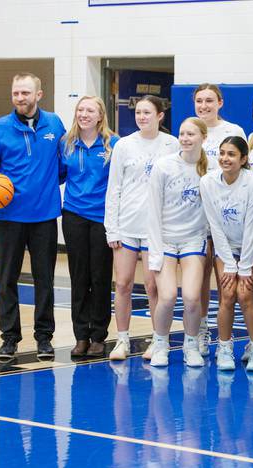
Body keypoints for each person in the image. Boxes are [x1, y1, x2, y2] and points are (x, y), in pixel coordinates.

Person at [0, 72, 66, 361]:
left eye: (25, 93)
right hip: (9, 217)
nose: (20, 98)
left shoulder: (55, 124)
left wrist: (46, 185)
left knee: (44, 280)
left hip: (45, 217)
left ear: (39, 95)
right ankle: (9, 338)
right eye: (16, 93)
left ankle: (44, 338)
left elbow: (63, 164)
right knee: (7, 279)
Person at [105, 95, 179, 361]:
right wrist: (111, 228)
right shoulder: (124, 145)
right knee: (123, 284)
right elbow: (114, 187)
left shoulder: (172, 145)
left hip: (155, 229)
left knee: (152, 286)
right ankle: (122, 340)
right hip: (126, 225)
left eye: (147, 112)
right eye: (138, 112)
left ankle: (158, 340)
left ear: (160, 115)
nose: (141, 117)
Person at [146, 117, 215, 367]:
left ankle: (191, 345)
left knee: (192, 298)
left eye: (191, 134)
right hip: (165, 240)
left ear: (203, 138)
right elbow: (153, 211)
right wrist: (155, 252)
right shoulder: (163, 166)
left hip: (193, 240)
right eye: (182, 134)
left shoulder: (211, 168)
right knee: (166, 297)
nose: (185, 139)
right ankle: (160, 345)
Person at [60, 96, 119, 357]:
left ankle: (98, 335)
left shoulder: (114, 144)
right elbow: (59, 175)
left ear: (100, 115)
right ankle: (81, 335)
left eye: (90, 110)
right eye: (80, 110)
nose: (84, 114)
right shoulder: (66, 143)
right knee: (79, 276)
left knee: (100, 276)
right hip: (73, 214)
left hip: (102, 218)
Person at [193, 83, 247, 357]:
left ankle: (231, 336)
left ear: (220, 103)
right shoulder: (190, 128)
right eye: (199, 101)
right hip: (198, 214)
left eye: (209, 100)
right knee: (200, 278)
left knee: (227, 280)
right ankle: (202, 330)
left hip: (228, 217)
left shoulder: (233, 130)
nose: (204, 106)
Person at [200, 136, 253, 371]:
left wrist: (244, 266)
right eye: (222, 153)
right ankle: (224, 347)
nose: (225, 158)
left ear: (243, 159)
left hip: (251, 246)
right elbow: (214, 225)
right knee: (227, 294)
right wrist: (228, 262)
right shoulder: (207, 182)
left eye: (231, 154)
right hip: (225, 247)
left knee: (245, 294)